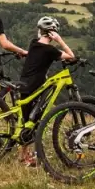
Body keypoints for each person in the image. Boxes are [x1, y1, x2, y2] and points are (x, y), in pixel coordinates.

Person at [16, 16, 75, 166]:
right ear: (52, 33)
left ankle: (23, 155)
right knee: (34, 121)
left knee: (27, 120)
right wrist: (60, 41)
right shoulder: (50, 50)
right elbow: (71, 56)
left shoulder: (33, 43)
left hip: (24, 83)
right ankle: (28, 156)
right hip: (36, 86)